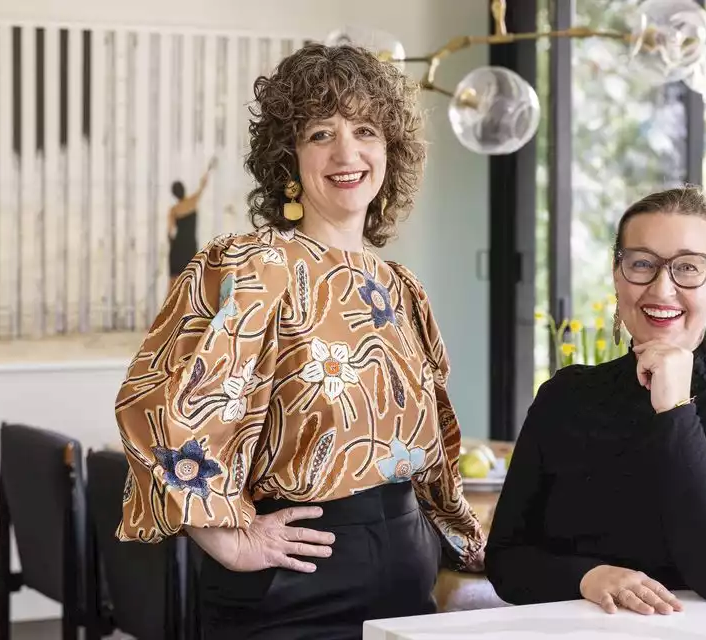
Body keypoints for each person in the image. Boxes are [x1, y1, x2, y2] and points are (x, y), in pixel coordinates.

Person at [115, 43, 485, 639]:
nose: (347, 152)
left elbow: (434, 446)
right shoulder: (247, 267)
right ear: (289, 155)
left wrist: (465, 540)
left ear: (390, 150)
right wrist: (231, 542)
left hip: (406, 573)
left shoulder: (400, 288)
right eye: (320, 133)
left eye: (366, 129)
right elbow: (154, 406)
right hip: (292, 584)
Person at [485, 187, 706, 614]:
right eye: (642, 264)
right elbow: (506, 560)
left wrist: (675, 410)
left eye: (688, 268)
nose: (662, 288)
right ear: (618, 276)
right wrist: (589, 577)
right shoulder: (564, 397)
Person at [167, 157, 218, 286]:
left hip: (177, 247)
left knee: (173, 282)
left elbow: (170, 232)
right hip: (190, 246)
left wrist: (171, 245)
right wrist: (209, 169)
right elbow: (202, 185)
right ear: (183, 190)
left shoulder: (173, 210)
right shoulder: (193, 201)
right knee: (192, 281)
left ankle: (169, 306)